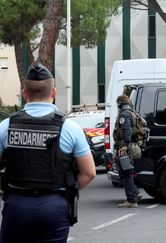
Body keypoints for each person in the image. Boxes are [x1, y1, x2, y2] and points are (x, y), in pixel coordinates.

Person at [0, 62, 96, 243]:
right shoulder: (70, 128)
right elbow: (90, 173)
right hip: (53, 206)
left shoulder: (6, 127)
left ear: (24, 94)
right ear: (53, 93)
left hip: (16, 204)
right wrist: (67, 189)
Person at [114, 95, 143, 208]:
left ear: (120, 104)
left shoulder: (124, 114)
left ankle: (131, 200)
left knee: (125, 174)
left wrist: (124, 147)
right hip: (133, 146)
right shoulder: (133, 113)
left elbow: (127, 131)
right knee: (127, 173)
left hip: (126, 147)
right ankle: (136, 193)